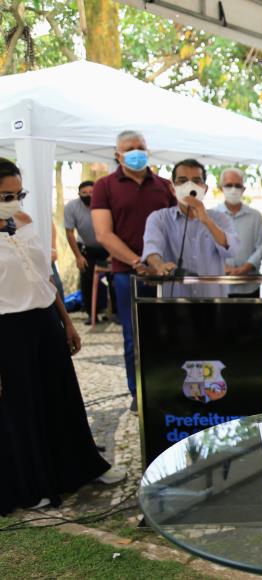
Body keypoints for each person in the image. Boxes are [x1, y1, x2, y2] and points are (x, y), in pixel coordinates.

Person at [0, 158, 124, 515]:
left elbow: (45, 278)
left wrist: (66, 321)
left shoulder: (24, 222)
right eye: (6, 196)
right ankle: (33, 484)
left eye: (18, 194)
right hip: (7, 330)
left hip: (44, 321)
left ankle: (82, 468)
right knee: (21, 408)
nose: (14, 202)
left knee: (62, 396)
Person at [92, 130, 176, 411]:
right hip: (127, 273)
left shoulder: (164, 186)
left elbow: (177, 225)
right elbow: (104, 234)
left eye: (141, 147)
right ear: (118, 155)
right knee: (134, 338)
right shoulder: (104, 186)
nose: (136, 152)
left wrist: (161, 264)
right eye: (130, 148)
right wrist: (138, 262)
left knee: (167, 333)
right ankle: (139, 393)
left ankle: (167, 388)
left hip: (164, 275)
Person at [142, 159, 238, 298]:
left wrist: (207, 221)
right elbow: (151, 249)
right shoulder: (159, 218)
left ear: (205, 189)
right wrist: (159, 265)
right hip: (174, 302)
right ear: (172, 188)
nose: (189, 186)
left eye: (196, 181)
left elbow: (232, 250)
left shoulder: (221, 218)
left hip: (213, 303)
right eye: (182, 181)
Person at [64, 180, 114, 322]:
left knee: (114, 279)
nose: (88, 195)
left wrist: (113, 253)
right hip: (86, 248)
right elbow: (69, 232)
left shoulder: (108, 204)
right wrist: (78, 256)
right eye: (84, 193)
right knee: (87, 280)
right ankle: (91, 314)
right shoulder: (71, 207)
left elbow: (117, 228)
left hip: (109, 247)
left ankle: (116, 312)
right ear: (79, 194)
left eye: (91, 192)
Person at [216, 168, 262, 298]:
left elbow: (261, 247)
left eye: (237, 186)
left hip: (250, 286)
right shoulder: (212, 216)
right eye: (229, 185)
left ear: (243, 189)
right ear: (221, 188)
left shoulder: (255, 216)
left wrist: (245, 268)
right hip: (220, 285)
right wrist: (223, 266)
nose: (233, 189)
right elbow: (206, 247)